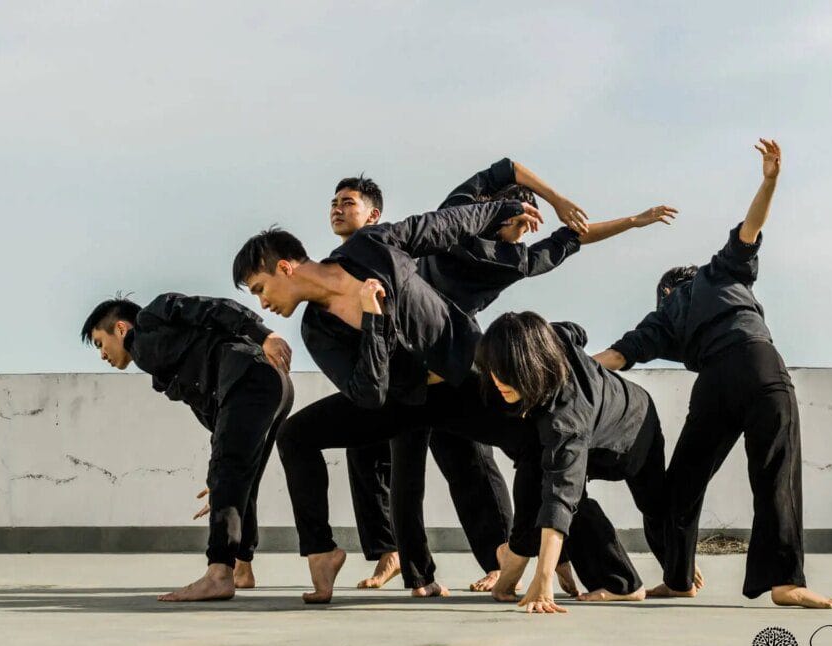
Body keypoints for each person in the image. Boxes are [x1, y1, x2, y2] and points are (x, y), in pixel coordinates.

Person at [331, 162, 679, 594]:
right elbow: (522, 186)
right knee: (462, 461)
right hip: (432, 364)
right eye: (524, 225)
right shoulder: (486, 237)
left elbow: (562, 225)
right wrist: (559, 201)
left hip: (434, 365)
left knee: (461, 464)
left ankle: (485, 563)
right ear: (511, 214)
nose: (526, 234)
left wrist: (624, 218)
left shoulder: (486, 234)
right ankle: (469, 564)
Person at [235, 199, 541, 602]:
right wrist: (374, 322)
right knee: (295, 435)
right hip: (397, 401)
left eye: (260, 288)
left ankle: (531, 552)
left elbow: (443, 225)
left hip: (458, 381)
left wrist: (503, 208)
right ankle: (322, 553)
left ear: (285, 268)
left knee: (538, 442)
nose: (263, 304)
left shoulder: (371, 247)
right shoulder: (317, 330)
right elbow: (368, 393)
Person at [593, 139, 832, 609]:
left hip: (714, 386)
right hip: (758, 364)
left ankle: (680, 577)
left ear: (665, 290)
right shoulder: (717, 274)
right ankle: (785, 582)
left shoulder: (662, 318)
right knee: (774, 474)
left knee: (682, 484)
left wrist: (550, 363)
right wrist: (769, 180)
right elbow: (751, 229)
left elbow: (615, 357)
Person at [80, 294, 294, 601]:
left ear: (122, 329)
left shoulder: (153, 317)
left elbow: (215, 308)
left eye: (101, 343)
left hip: (252, 374)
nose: (102, 354)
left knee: (229, 473)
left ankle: (219, 574)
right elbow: (215, 416)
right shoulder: (162, 367)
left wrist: (266, 336)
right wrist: (218, 474)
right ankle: (241, 568)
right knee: (240, 479)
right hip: (268, 386)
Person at [475, 312, 670, 614]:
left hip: (629, 435)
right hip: (607, 415)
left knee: (576, 497)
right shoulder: (549, 341)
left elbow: (559, 496)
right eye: (493, 370)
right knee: (533, 470)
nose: (497, 380)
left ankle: (624, 585)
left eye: (507, 372)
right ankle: (513, 569)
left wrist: (542, 581)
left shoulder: (565, 418)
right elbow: (574, 331)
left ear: (529, 365)